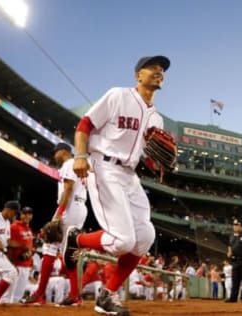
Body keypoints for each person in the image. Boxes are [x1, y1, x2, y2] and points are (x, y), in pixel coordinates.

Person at [64, 55, 171, 316]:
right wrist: (80, 155)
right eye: (153, 68)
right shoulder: (118, 95)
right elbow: (85, 124)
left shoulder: (157, 119)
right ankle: (76, 240)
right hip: (104, 167)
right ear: (138, 75)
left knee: (145, 238)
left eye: (162, 69)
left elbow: (148, 156)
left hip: (130, 175)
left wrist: (161, 165)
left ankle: (107, 296)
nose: (159, 72)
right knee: (123, 241)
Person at [23, 142, 87, 305]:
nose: (54, 156)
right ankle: (74, 294)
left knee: (50, 247)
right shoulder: (79, 165)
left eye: (55, 152)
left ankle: (39, 293)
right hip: (80, 207)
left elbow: (68, 189)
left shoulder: (69, 163)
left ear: (64, 151)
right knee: (69, 251)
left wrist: (58, 215)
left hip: (69, 207)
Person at [4, 206, 35, 302]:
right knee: (9, 295)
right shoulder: (14, 226)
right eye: (24, 213)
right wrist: (12, 265)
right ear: (20, 215)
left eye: (29, 214)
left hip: (26, 265)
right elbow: (9, 246)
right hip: (16, 265)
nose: (27, 216)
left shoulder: (29, 229)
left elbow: (29, 248)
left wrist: (31, 261)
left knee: (18, 295)